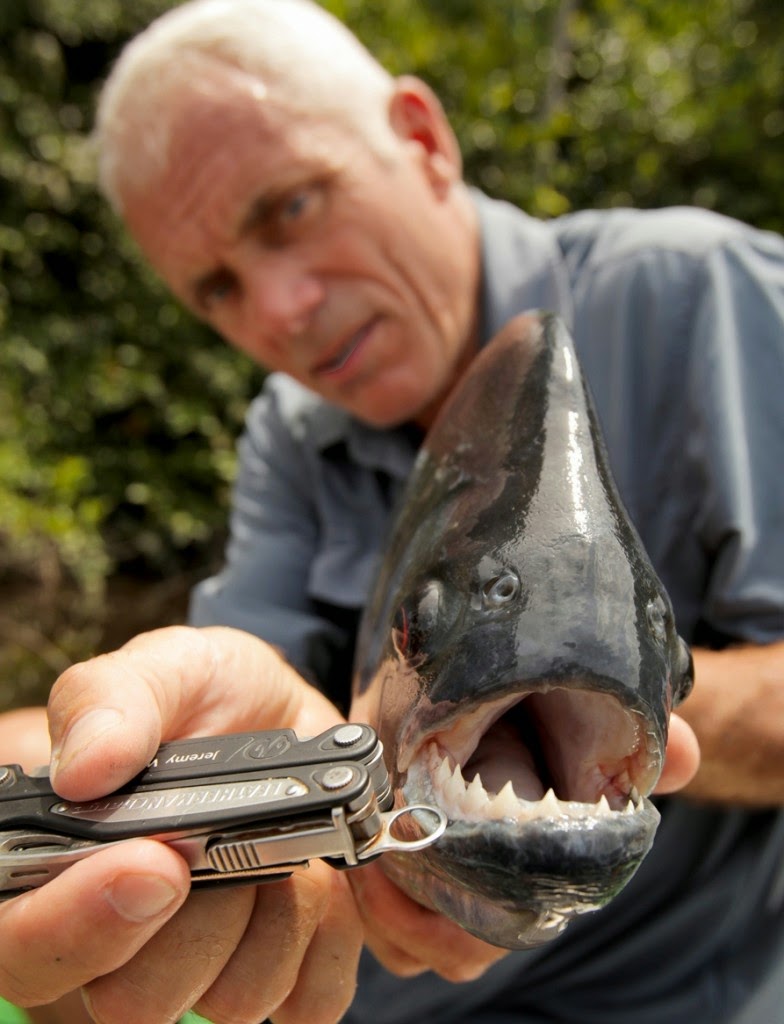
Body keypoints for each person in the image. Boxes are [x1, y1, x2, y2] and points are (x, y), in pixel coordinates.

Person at [0, 0, 781, 1021]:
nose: (275, 311)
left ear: (421, 139)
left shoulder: (699, 292)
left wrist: (591, 693)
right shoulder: (290, 425)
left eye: (288, 208)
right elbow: (233, 694)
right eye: (217, 290)